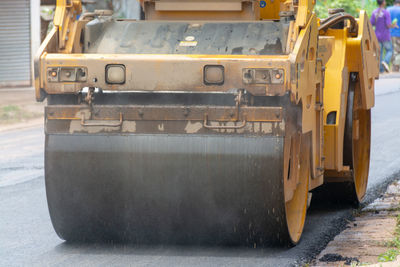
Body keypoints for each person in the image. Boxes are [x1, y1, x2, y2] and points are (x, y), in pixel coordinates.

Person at [371, 0, 394, 73]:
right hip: (385, 35)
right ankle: (385, 61)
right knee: (390, 50)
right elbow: (388, 25)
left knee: (379, 52)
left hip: (377, 35)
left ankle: (381, 70)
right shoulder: (386, 12)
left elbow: (371, 23)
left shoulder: (374, 12)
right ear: (383, 2)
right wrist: (393, 25)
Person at [389, 0, 400, 72]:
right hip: (398, 33)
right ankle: (396, 68)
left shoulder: (388, 9)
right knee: (398, 51)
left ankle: (393, 68)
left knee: (393, 50)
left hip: (390, 33)